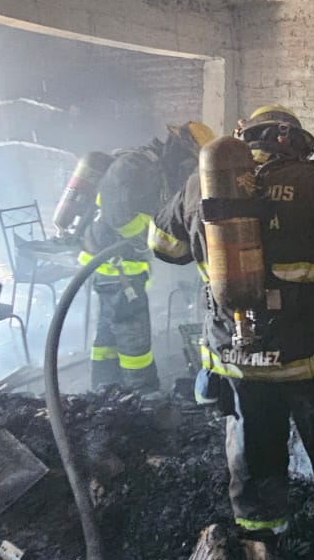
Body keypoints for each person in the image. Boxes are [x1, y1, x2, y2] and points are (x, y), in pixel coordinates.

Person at [148, 105, 314, 560]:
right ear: (293, 141)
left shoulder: (201, 183)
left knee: (253, 458)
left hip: (239, 358)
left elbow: (164, 246)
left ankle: (263, 553)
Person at [78, 122, 213, 393]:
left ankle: (105, 387)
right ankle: (143, 391)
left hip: (116, 261)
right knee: (133, 331)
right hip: (115, 263)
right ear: (181, 150)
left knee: (110, 328)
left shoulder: (155, 168)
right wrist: (144, 239)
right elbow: (118, 215)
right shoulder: (136, 166)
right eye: (191, 161)